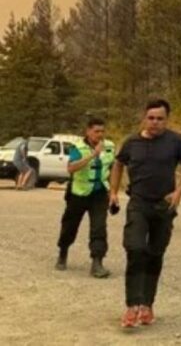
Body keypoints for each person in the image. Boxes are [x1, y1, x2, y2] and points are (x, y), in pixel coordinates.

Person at [109, 98, 181, 330]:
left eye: (160, 119)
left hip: (163, 206)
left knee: (156, 253)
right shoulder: (132, 142)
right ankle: (132, 305)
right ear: (144, 118)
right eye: (151, 118)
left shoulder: (176, 141)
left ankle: (147, 305)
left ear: (167, 120)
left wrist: (178, 192)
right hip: (138, 203)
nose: (155, 122)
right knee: (135, 249)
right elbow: (118, 164)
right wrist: (113, 192)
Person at [55, 117, 115, 277]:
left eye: (102, 131)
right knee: (70, 226)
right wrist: (93, 155)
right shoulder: (78, 147)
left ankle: (97, 262)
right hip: (78, 193)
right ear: (88, 131)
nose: (100, 134)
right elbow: (71, 168)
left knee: (99, 227)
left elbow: (113, 168)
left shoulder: (110, 146)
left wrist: (113, 192)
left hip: (99, 193)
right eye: (96, 131)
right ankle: (63, 252)